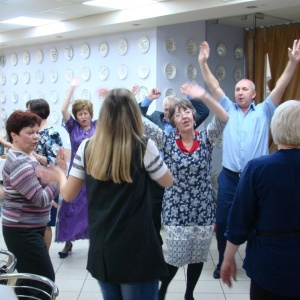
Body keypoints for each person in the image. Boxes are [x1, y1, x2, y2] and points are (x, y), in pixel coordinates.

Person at [36, 88, 174, 300]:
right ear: (133, 115)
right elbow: (167, 181)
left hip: (104, 247)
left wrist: (58, 174)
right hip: (137, 246)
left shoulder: (87, 147)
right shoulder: (144, 146)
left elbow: (68, 194)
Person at [198, 39, 300, 279]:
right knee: (223, 222)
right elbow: (214, 86)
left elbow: (281, 87)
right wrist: (203, 63)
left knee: (259, 221)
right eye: (237, 89)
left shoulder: (265, 110)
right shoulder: (228, 110)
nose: (239, 92)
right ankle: (223, 260)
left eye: (245, 89)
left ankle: (254, 260)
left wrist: (293, 63)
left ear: (254, 94)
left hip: (257, 178)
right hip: (230, 176)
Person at [143, 81, 229, 300]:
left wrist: (204, 96)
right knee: (174, 256)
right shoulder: (166, 140)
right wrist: (140, 100)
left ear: (193, 115)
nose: (184, 115)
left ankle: (189, 293)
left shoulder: (206, 138)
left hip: (203, 209)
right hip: (175, 210)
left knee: (198, 256)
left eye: (187, 111)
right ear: (172, 121)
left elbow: (223, 117)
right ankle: (162, 290)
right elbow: (140, 122)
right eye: (178, 113)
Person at [221, 100, 300, 300]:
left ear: (275, 126)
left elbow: (239, 220)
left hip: (268, 262)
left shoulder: (258, 168)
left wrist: (228, 257)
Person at [139, 88, 210, 245]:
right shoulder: (155, 119)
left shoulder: (186, 124)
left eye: (172, 110)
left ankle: (186, 243)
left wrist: (189, 95)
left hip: (179, 180)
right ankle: (156, 243)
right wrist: (148, 98)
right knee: (153, 213)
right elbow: (138, 117)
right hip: (157, 176)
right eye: (165, 109)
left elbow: (204, 111)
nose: (166, 112)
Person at [2, 110, 59, 299]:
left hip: (28, 228)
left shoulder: (27, 155)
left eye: (37, 131)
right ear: (14, 135)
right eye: (30, 132)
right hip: (22, 231)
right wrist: (57, 179)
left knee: (30, 281)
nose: (36, 137)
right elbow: (40, 198)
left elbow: (34, 191)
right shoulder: (20, 162)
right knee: (42, 282)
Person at [56, 79, 97, 258]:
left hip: (96, 174)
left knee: (95, 209)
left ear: (90, 114)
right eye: (79, 114)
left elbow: (115, 115)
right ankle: (68, 243)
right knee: (70, 207)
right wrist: (72, 87)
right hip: (76, 174)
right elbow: (64, 109)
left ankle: (97, 244)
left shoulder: (98, 126)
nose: (83, 116)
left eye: (85, 113)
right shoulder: (73, 128)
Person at [26, 99, 63, 250]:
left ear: (37, 113)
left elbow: (55, 161)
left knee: (46, 223)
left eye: (29, 111)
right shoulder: (31, 132)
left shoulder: (51, 133)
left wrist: (36, 156)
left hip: (47, 182)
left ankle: (44, 256)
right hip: (31, 181)